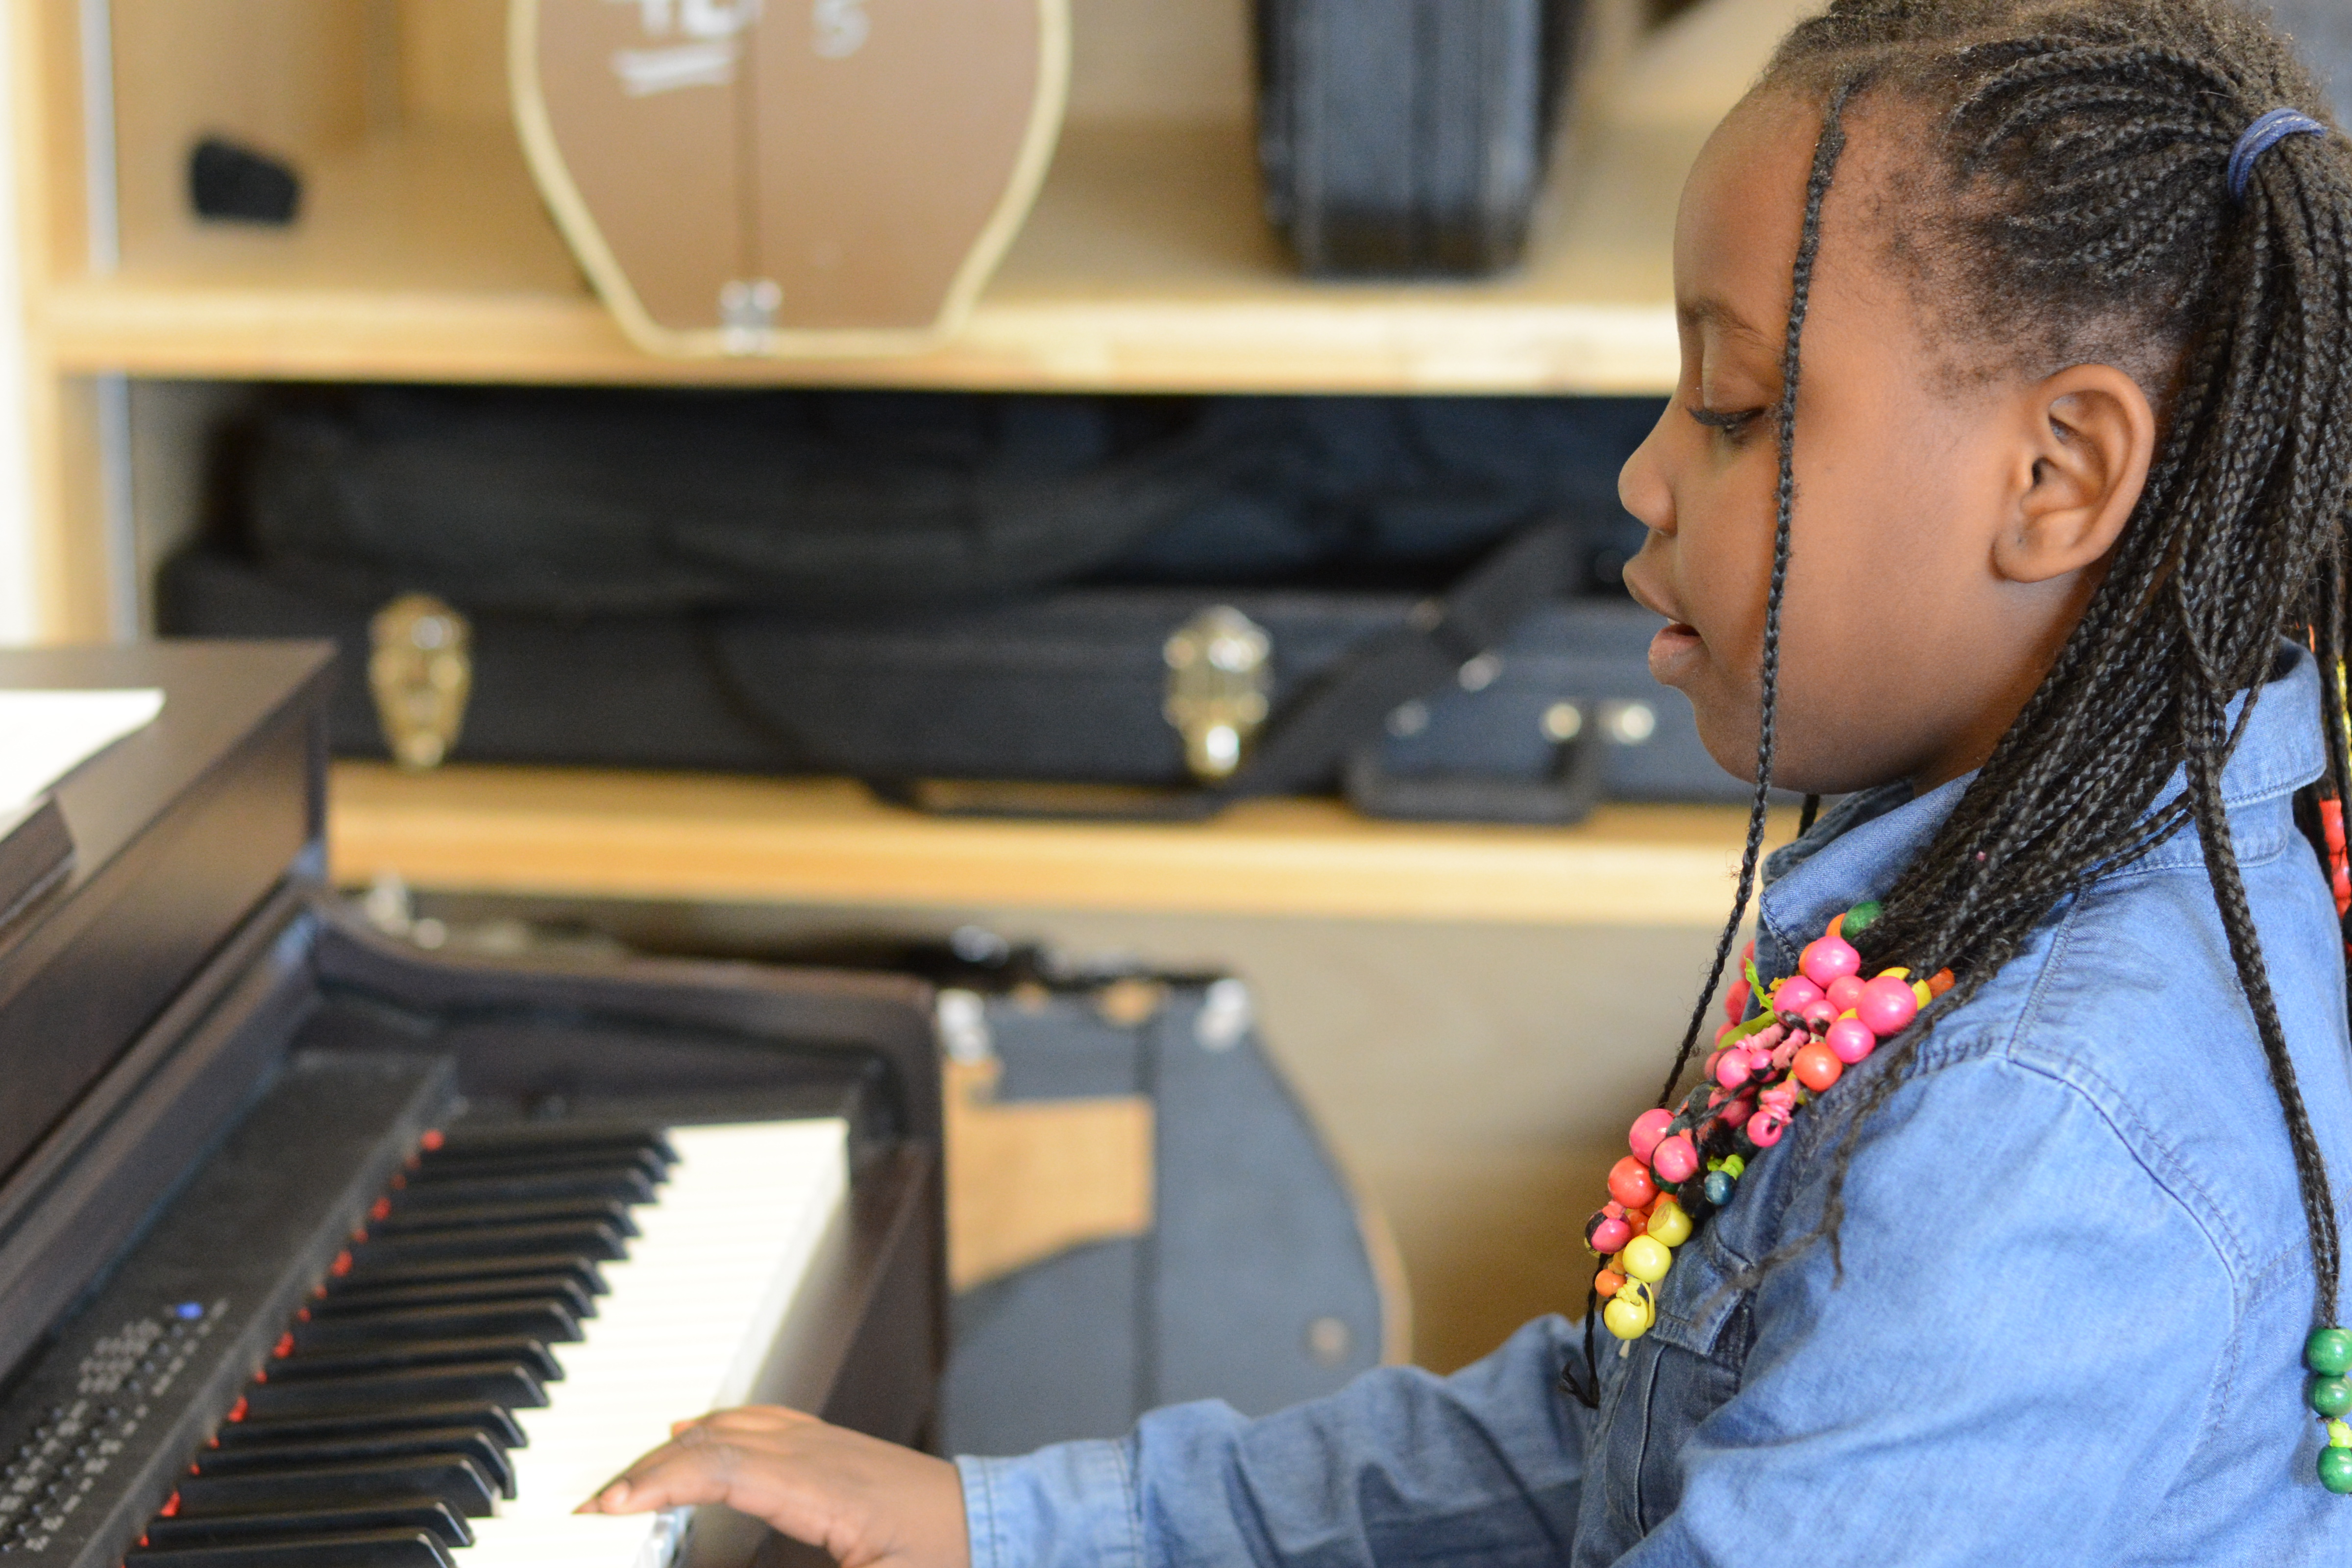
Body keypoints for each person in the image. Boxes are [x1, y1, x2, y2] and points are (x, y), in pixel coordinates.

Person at [576, 1, 2352, 1560]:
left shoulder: (2055, 1122)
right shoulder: (1969, 917)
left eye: (1734, 410)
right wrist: (1009, 1525)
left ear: (2059, 473)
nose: (1644, 478)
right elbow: (1605, 1427)